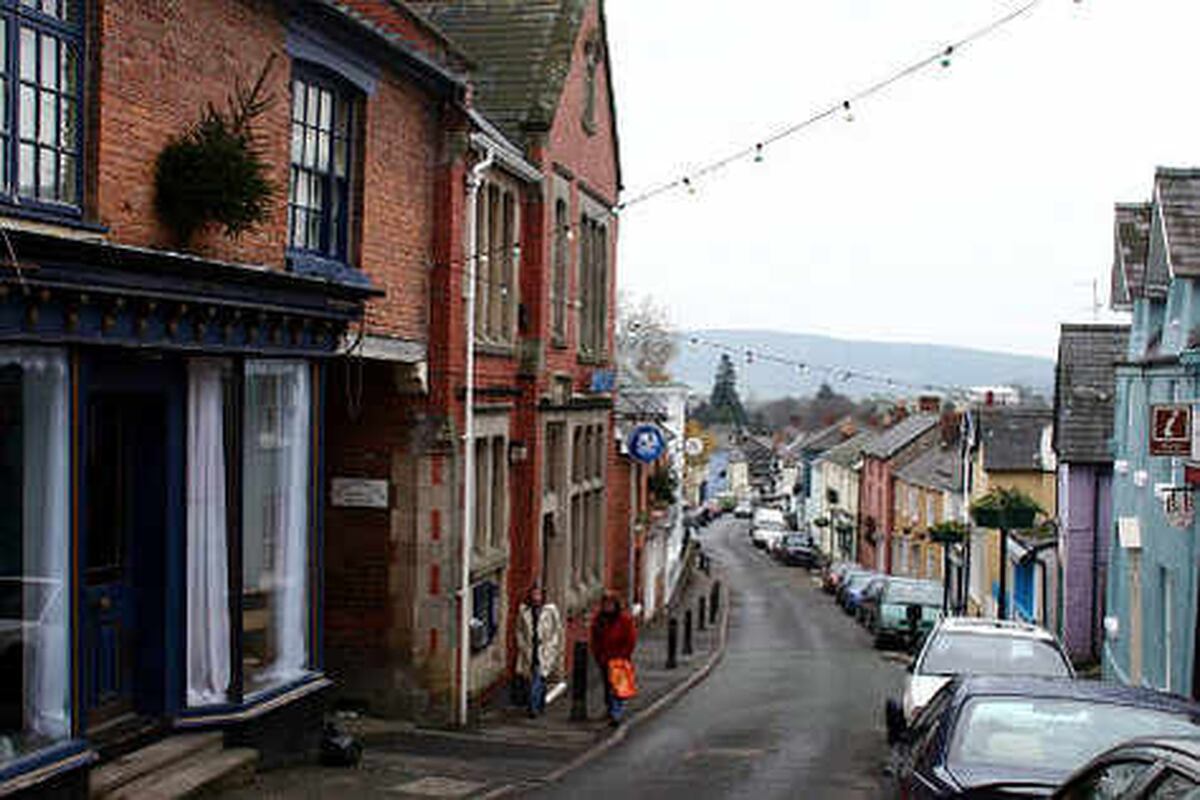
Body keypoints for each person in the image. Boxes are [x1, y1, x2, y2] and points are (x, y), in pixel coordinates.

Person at [590, 590, 637, 725]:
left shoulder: (625, 620)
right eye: (605, 604)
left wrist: (624, 656)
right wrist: (597, 654)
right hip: (604, 658)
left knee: (618, 687)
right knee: (607, 686)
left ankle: (616, 713)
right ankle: (610, 709)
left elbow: (630, 640)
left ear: (616, 605)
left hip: (619, 659)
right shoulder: (599, 619)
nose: (608, 607)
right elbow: (595, 639)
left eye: (610, 604)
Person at [515, 583, 562, 718]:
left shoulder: (550, 610)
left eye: (538, 594)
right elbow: (519, 630)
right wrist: (522, 645)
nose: (536, 597)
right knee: (533, 678)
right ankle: (536, 705)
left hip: (545, 650)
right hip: (530, 649)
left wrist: (552, 646)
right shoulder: (524, 611)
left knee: (539, 678)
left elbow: (557, 630)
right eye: (533, 594)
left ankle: (534, 707)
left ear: (543, 596)